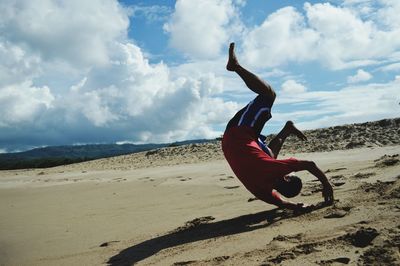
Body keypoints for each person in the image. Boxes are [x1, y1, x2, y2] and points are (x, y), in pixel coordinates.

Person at [222, 42, 334, 212]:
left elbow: (310, 164)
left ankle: (235, 67)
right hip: (231, 146)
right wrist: (299, 207)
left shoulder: (275, 170)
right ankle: (287, 129)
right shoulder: (262, 191)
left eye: (288, 175)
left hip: (239, 133)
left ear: (287, 179)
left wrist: (326, 184)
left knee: (269, 95)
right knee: (269, 156)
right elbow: (282, 203)